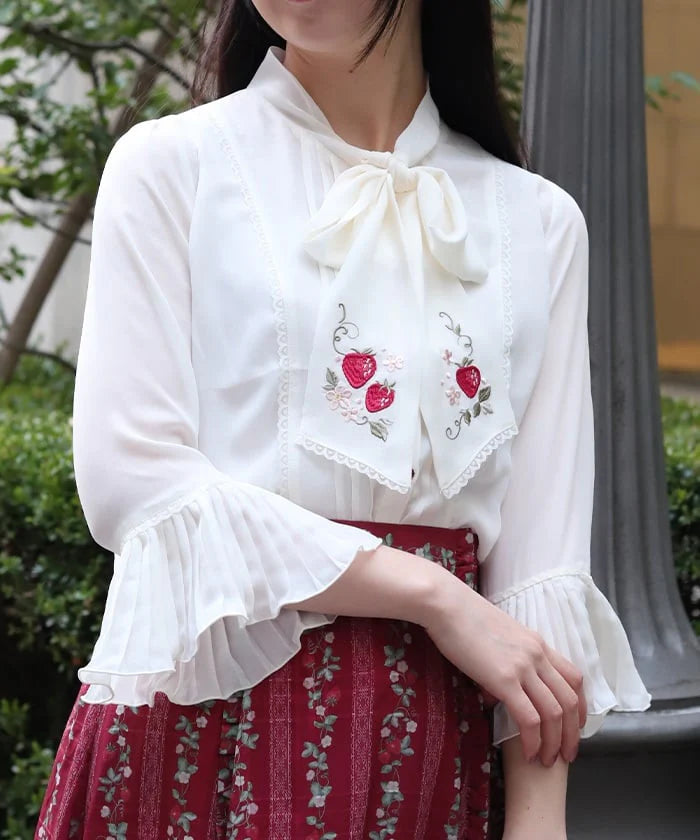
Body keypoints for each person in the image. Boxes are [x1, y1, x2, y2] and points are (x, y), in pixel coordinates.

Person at [34, 1, 652, 838]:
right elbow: (133, 481)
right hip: (204, 729)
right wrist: (436, 596)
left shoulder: (537, 222)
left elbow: (541, 572)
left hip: (432, 752)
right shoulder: (173, 165)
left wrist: (538, 823)